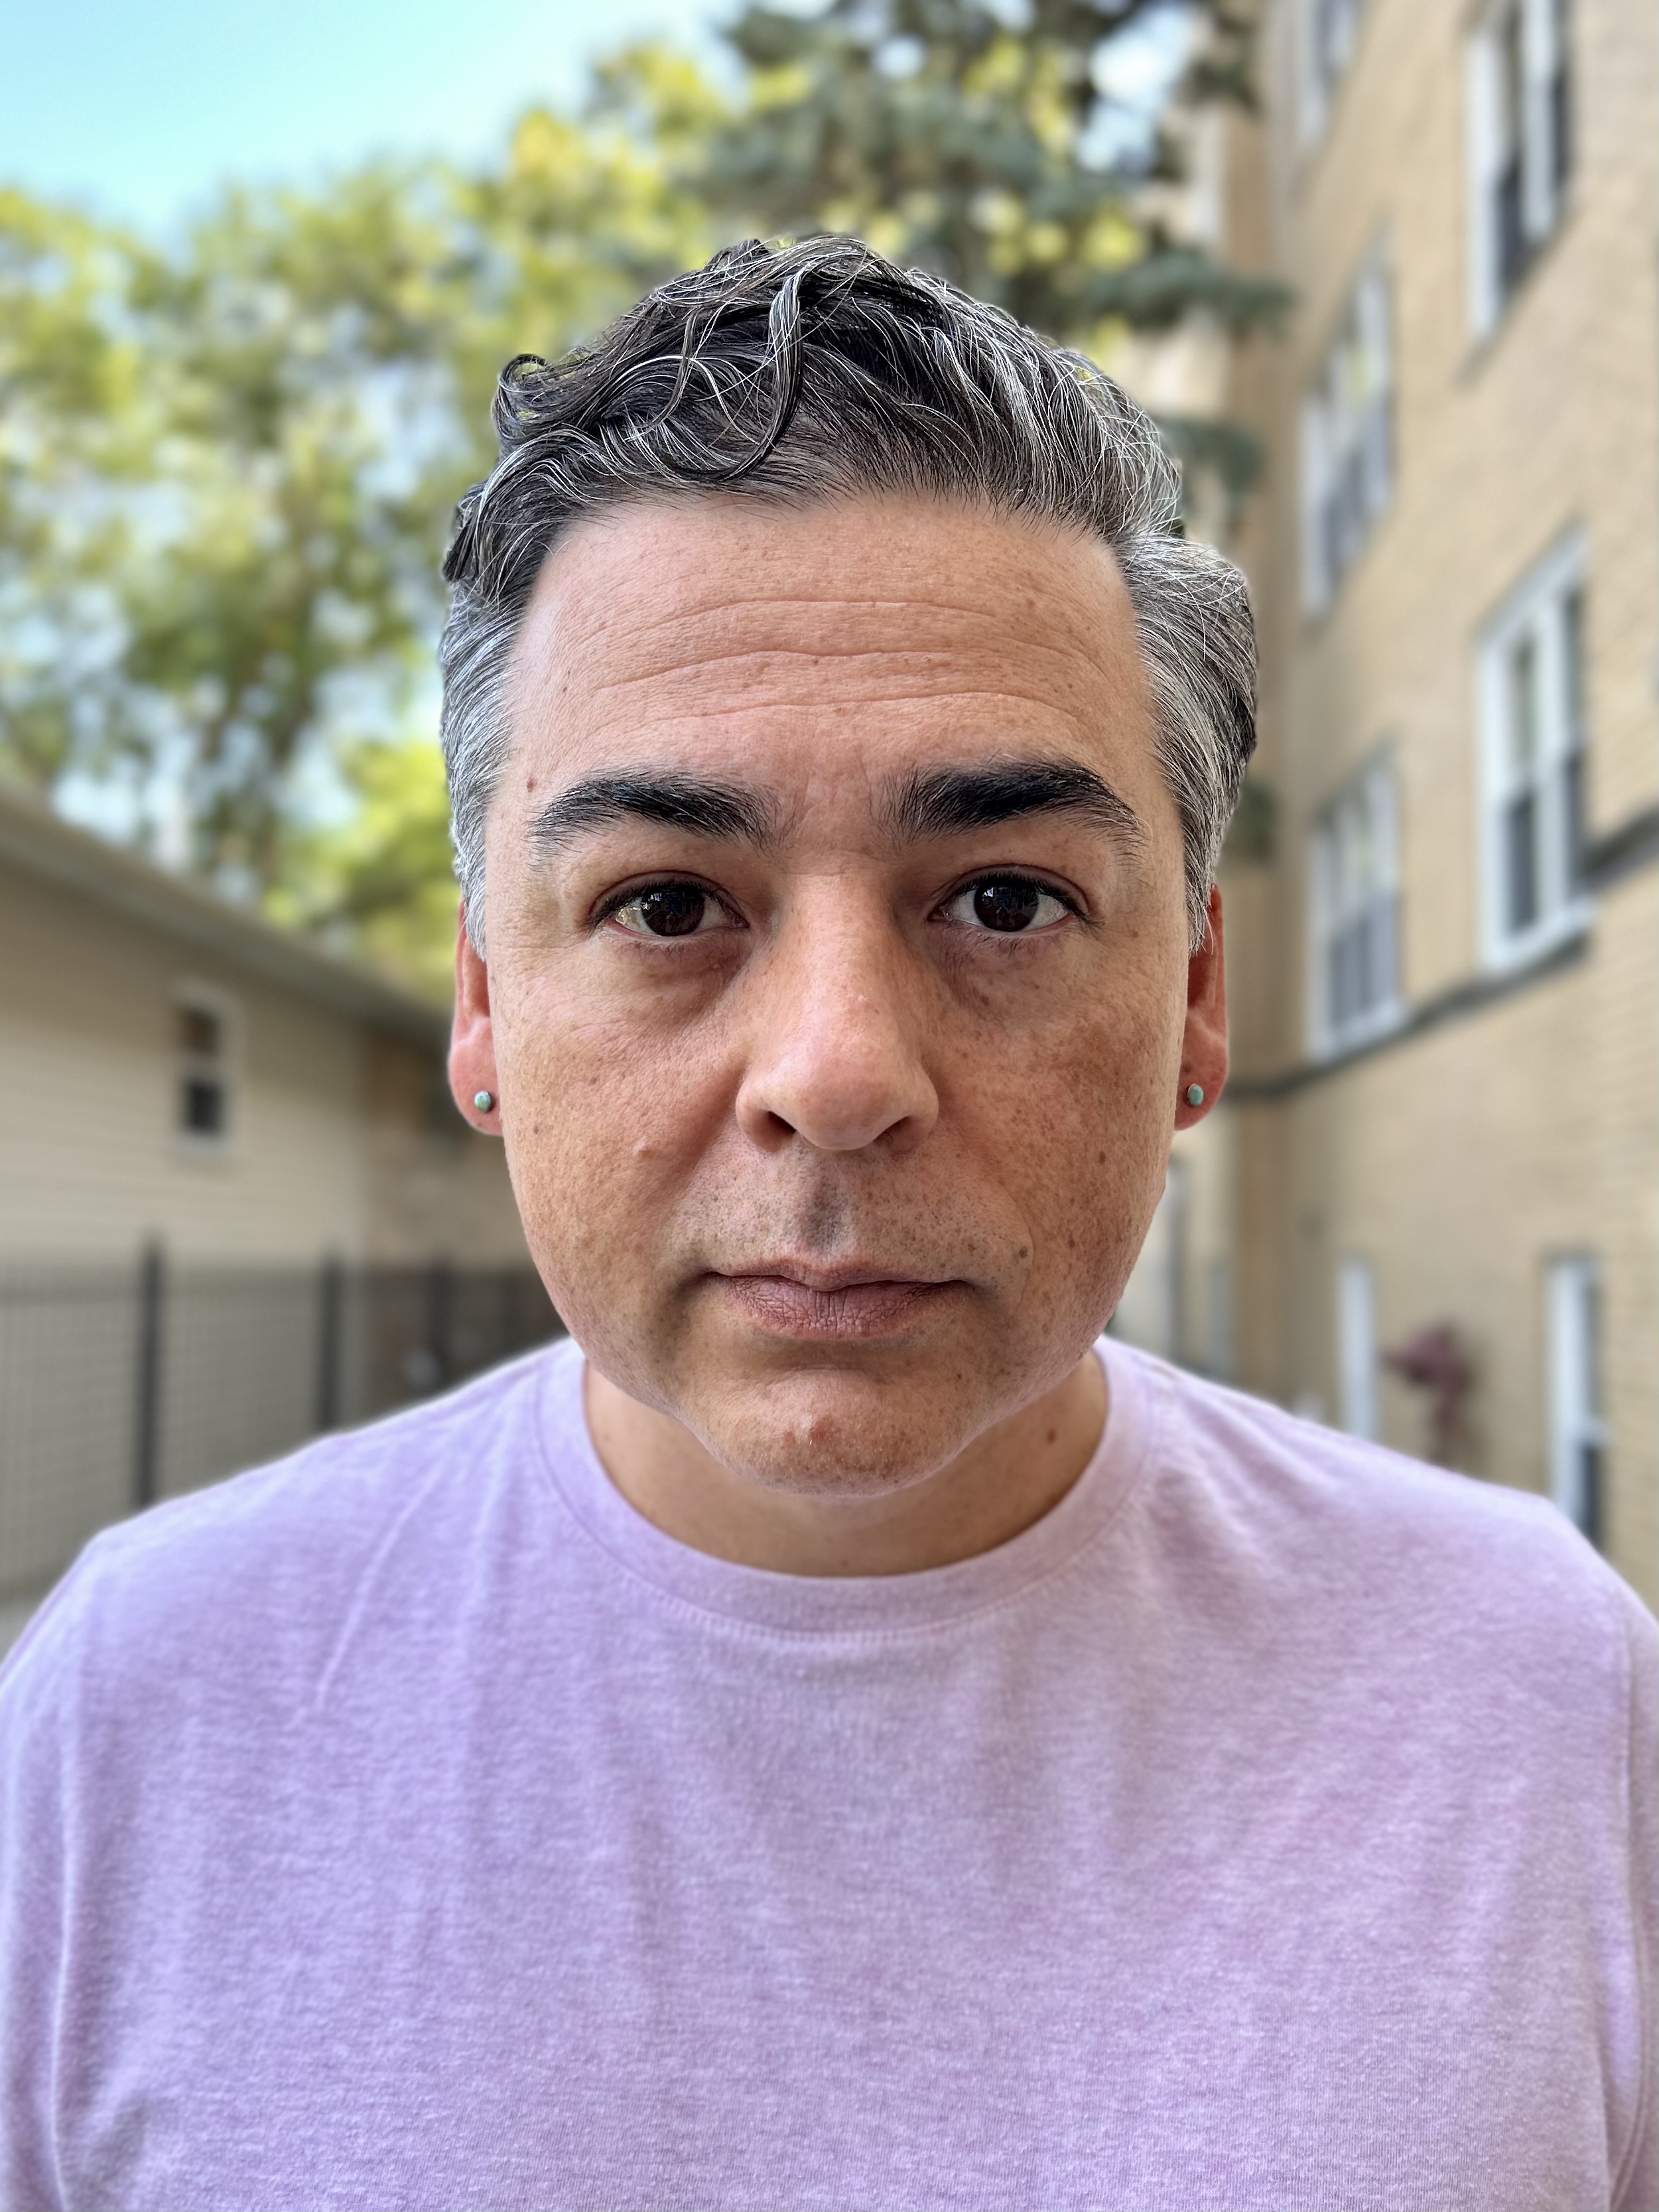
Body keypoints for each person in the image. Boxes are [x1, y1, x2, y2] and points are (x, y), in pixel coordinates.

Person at [0, 237, 1652, 2212]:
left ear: (1196, 1001)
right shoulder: (141, 1713)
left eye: (1008, 899)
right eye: (669, 903)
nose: (838, 1070)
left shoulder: (1541, 1699)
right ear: (482, 1005)